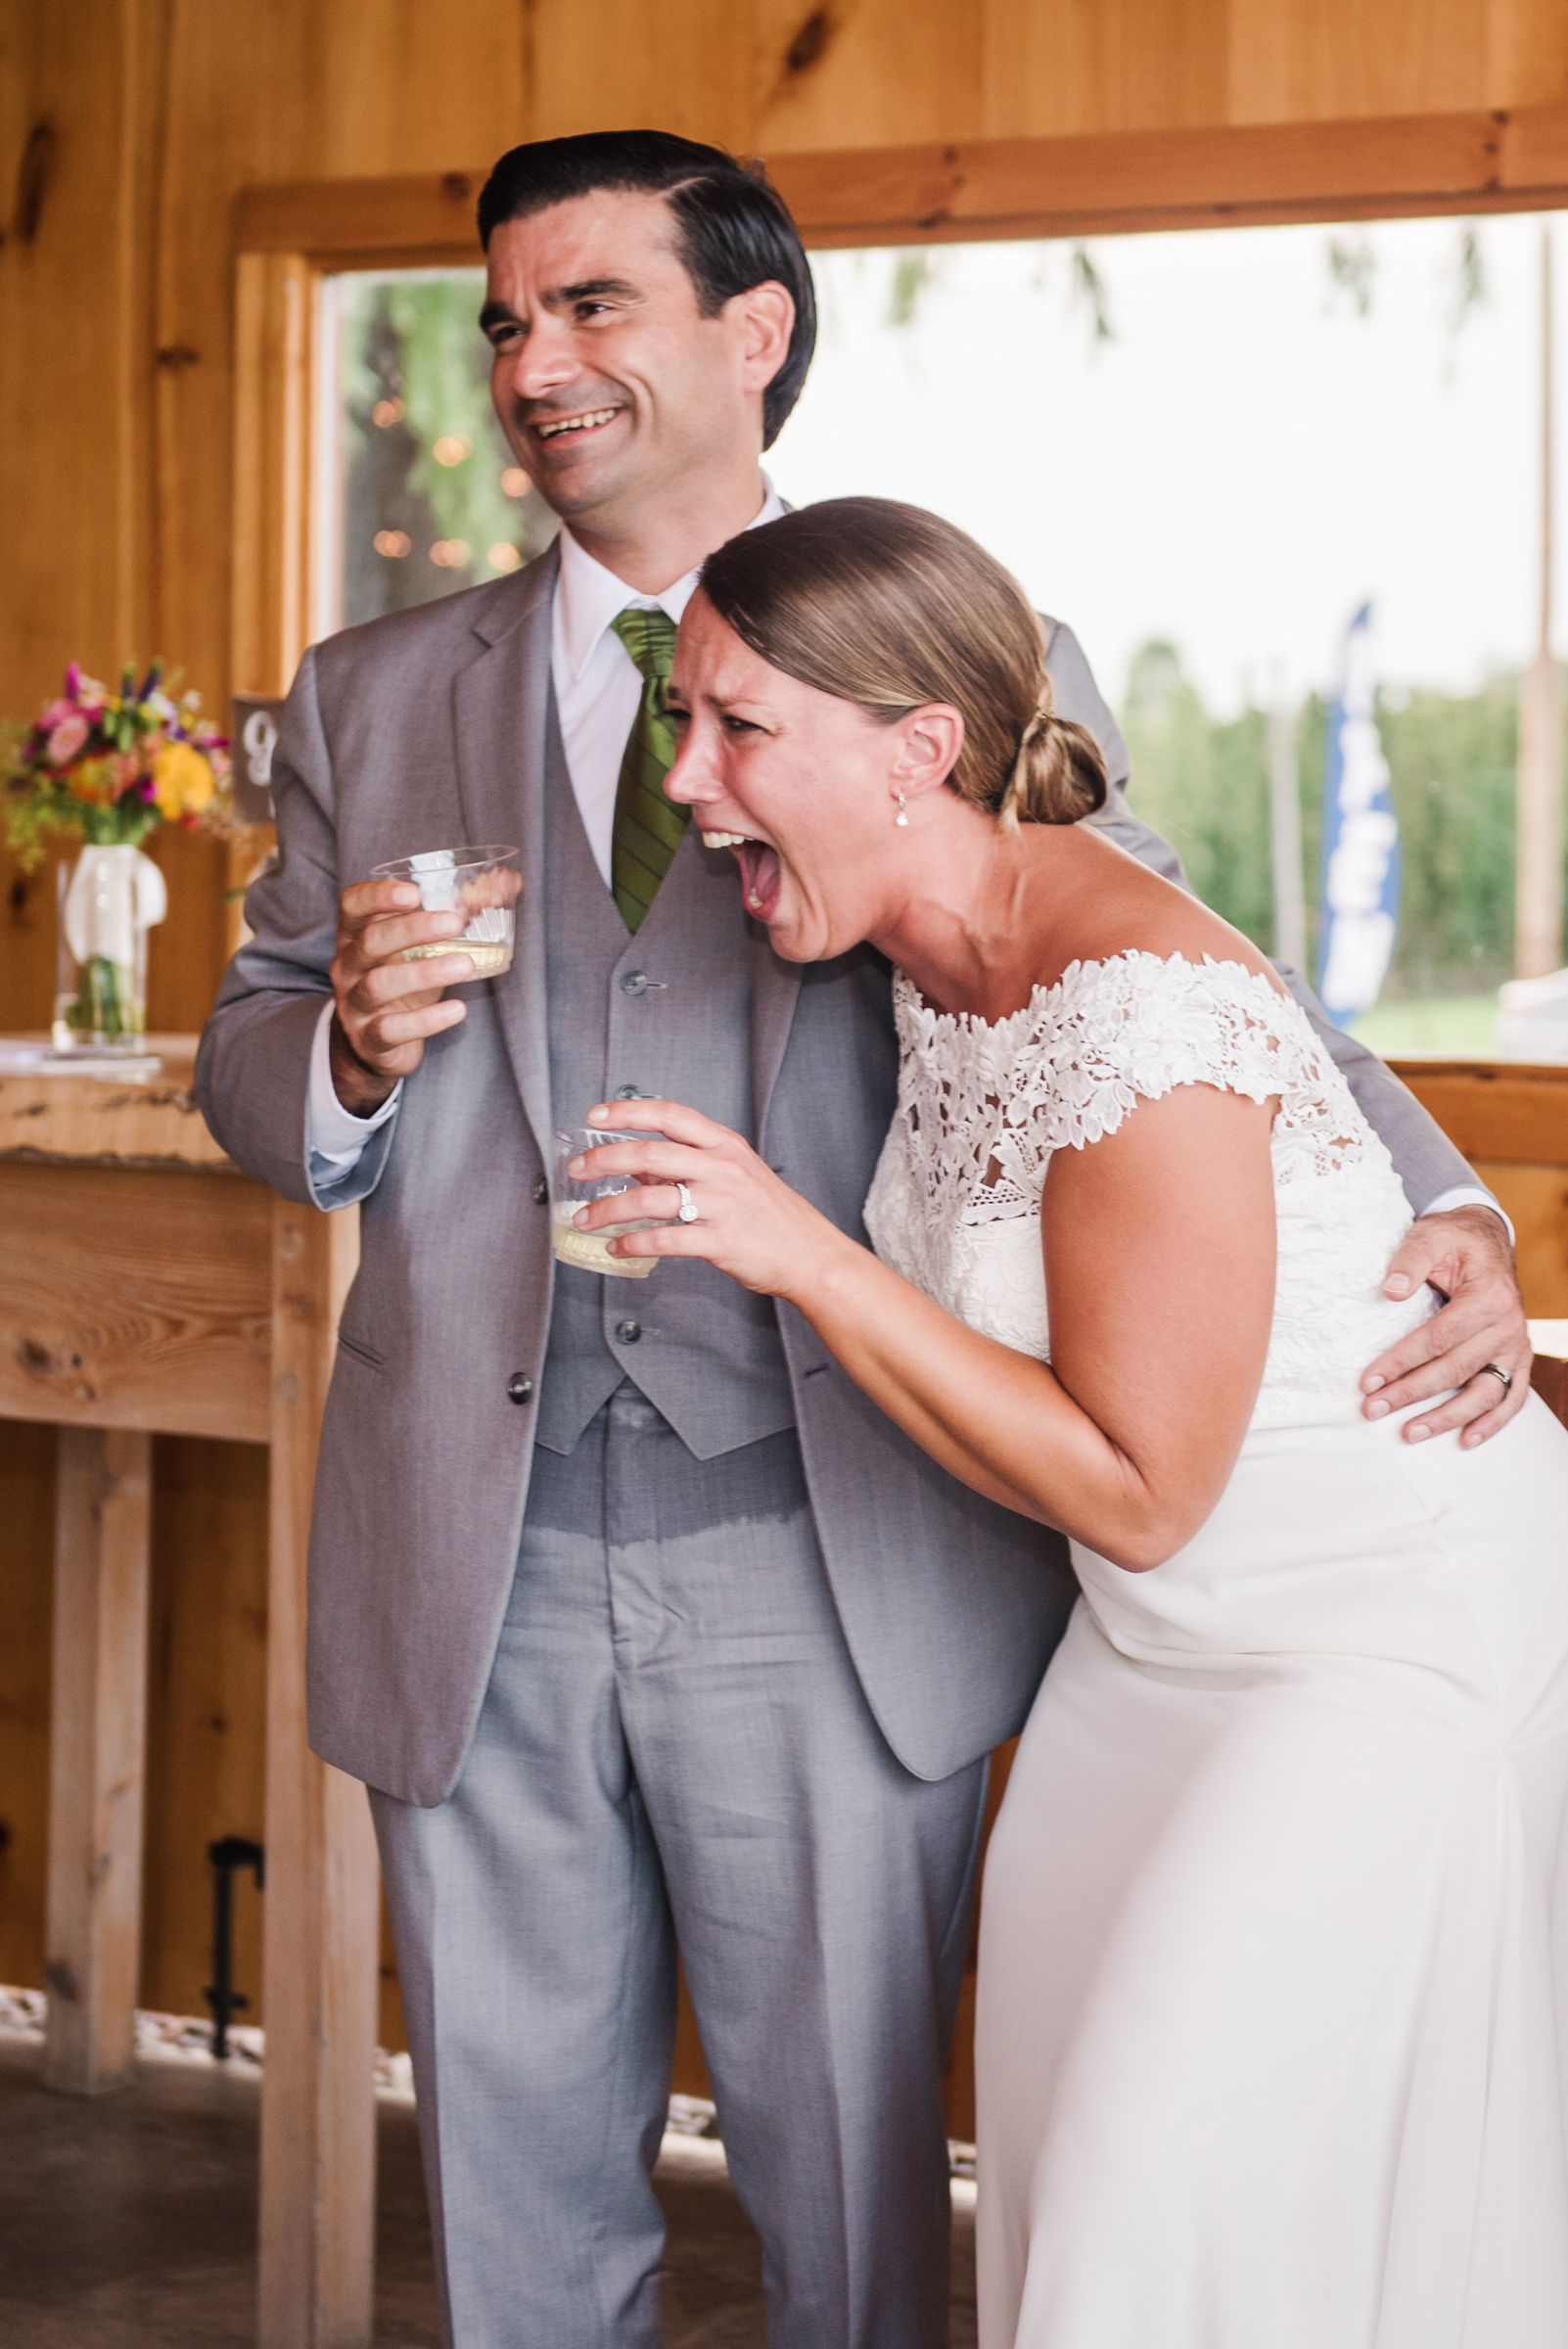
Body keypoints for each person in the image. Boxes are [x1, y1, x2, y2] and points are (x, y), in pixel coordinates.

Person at [195, 128, 1531, 2349]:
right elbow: (243, 1056)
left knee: (854, 2204)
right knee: (510, 2193)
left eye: (592, 304)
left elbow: (1194, 976)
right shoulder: (370, 694)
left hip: (827, 1538)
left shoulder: (959, 645)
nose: (535, 361)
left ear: (755, 334)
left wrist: (1449, 1198)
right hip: (468, 1542)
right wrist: (334, 1048)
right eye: (505, 318)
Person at [570, 494, 1568, 2347]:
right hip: (1145, 1662)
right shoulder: (932, 955)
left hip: (1375, 1641)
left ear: (917, 752)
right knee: (1057, 2187)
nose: (690, 785)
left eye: (736, 729)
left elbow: (1138, 1487)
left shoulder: (1132, 1000)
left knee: (1156, 2179)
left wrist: (803, 1258)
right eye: (676, 722)